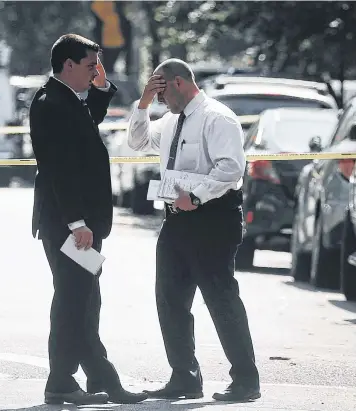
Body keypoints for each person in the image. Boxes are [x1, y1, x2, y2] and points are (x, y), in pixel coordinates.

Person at [127, 58, 261, 402]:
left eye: (160, 90)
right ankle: (184, 376)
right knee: (169, 299)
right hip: (177, 220)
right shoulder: (171, 121)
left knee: (220, 298)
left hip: (212, 219)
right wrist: (142, 104)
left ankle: (246, 380)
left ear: (178, 83)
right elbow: (138, 142)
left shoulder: (218, 118)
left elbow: (230, 169)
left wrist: (197, 197)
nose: (159, 100)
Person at [28, 34, 148, 406]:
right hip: (69, 226)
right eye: (89, 66)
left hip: (78, 224)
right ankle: (63, 381)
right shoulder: (52, 103)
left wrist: (101, 88)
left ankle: (97, 376)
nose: (95, 71)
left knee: (85, 297)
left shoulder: (66, 99)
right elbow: (60, 169)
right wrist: (76, 223)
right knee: (73, 300)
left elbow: (86, 123)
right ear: (67, 64)